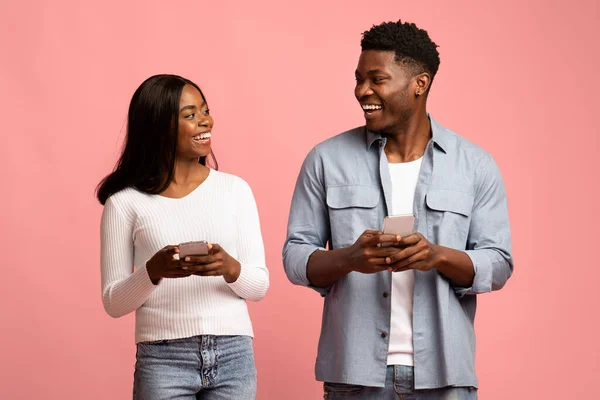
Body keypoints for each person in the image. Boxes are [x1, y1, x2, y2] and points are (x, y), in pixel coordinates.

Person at [283, 20, 513, 399]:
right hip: (355, 376)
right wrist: (350, 259)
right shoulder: (326, 159)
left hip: (444, 376)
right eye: (358, 79)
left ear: (419, 84)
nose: (362, 91)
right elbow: (295, 255)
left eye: (377, 79)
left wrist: (437, 255)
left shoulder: (475, 165)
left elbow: (498, 262)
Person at [97, 74, 269, 399]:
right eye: (191, 115)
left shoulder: (234, 190)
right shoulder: (124, 203)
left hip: (234, 353)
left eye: (205, 110)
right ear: (158, 128)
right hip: (163, 359)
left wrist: (228, 267)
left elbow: (258, 286)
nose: (206, 121)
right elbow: (113, 302)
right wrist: (153, 272)